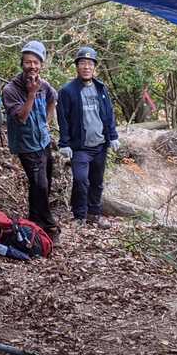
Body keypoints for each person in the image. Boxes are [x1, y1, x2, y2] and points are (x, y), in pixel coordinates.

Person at [2, 40, 60, 237]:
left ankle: (34, 221)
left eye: (36, 62)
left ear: (41, 64)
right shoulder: (11, 90)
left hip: (43, 142)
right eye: (28, 62)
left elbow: (53, 99)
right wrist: (31, 94)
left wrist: (46, 123)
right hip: (26, 145)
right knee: (40, 185)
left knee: (43, 184)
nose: (32, 66)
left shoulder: (44, 86)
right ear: (22, 63)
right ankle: (50, 226)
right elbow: (21, 117)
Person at [57, 46, 120, 226]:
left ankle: (94, 214)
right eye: (83, 63)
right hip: (80, 147)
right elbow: (63, 119)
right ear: (77, 66)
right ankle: (79, 216)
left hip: (100, 144)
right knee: (80, 180)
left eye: (90, 63)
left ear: (94, 67)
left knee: (97, 182)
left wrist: (113, 136)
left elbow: (108, 114)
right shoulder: (67, 91)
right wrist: (64, 143)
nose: (86, 67)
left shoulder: (101, 88)